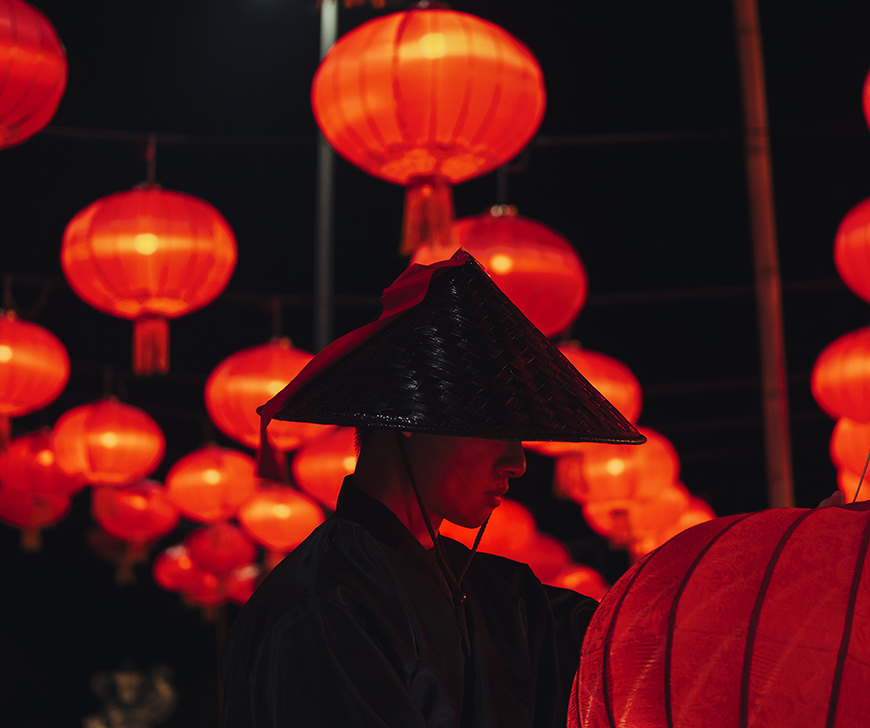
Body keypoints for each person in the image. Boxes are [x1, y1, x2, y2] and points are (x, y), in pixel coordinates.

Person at [219, 250, 643, 727]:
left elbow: (635, 639)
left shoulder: (505, 598)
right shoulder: (323, 605)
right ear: (411, 419)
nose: (517, 461)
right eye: (494, 429)